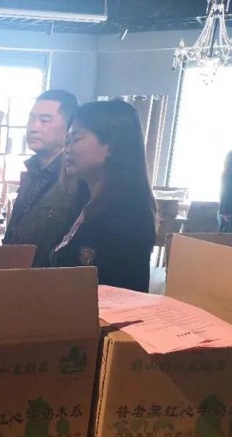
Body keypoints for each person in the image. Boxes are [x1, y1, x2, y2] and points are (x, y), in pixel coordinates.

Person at [50, 100, 156, 293]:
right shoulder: (84, 202)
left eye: (76, 140)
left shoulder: (127, 216)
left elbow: (116, 292)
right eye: (67, 141)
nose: (68, 149)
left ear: (110, 146)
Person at [3, 89, 88, 267]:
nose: (34, 127)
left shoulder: (77, 179)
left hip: (49, 278)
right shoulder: (33, 171)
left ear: (70, 127)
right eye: (31, 119)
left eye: (45, 120)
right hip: (15, 274)